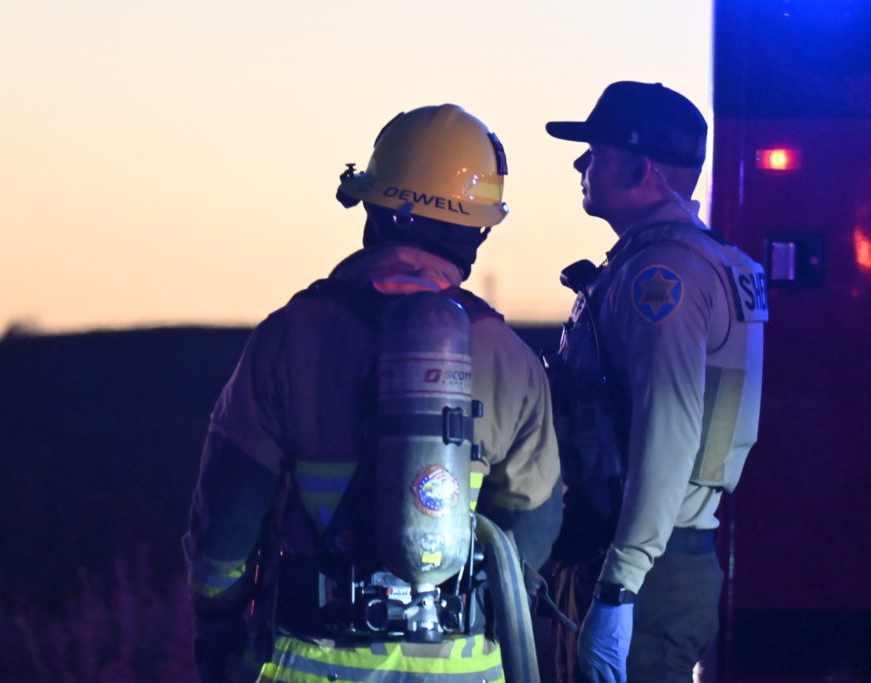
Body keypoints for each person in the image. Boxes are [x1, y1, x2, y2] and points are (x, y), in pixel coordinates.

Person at [184, 104, 562, 683]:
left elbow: (228, 517)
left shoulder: (289, 338)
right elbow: (531, 534)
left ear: (377, 209)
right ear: (477, 230)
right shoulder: (510, 358)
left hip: (312, 663)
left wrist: (216, 622)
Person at [542, 82, 767, 683]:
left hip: (643, 568)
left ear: (641, 168)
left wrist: (618, 588)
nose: (581, 164)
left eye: (596, 152)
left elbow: (667, 430)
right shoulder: (692, 259)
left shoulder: (663, 275)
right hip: (649, 556)